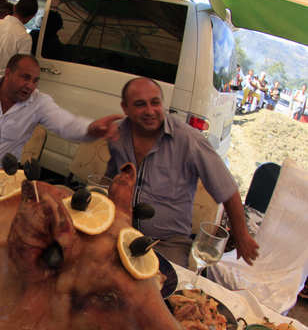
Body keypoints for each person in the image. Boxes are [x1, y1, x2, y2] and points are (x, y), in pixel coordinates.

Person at [105, 77, 259, 267]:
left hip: (166, 244)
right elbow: (109, 180)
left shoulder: (188, 140)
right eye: (140, 105)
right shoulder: (118, 134)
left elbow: (226, 187)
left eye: (155, 103)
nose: (150, 111)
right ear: (125, 108)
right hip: (118, 230)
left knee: (161, 289)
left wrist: (241, 235)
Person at [0, 54, 120, 163]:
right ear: (8, 73)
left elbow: (66, 124)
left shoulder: (39, 102)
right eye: (25, 78)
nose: (30, 86)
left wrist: (91, 128)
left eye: (35, 81)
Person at [0, 0, 38, 75]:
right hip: (6, 81)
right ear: (32, 17)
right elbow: (22, 66)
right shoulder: (24, 37)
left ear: (14, 8)